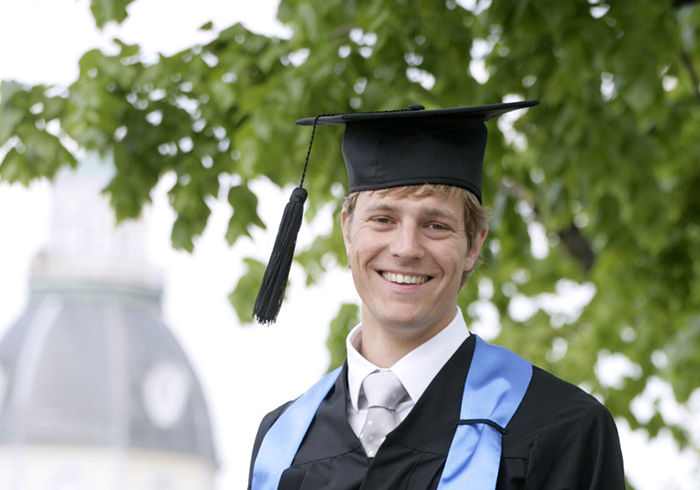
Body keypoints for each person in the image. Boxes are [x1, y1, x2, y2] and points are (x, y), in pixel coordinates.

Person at [248, 101, 626, 490]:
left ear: (474, 245)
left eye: (435, 225)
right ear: (347, 231)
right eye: (383, 219)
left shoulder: (560, 429)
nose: (407, 248)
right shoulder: (281, 442)